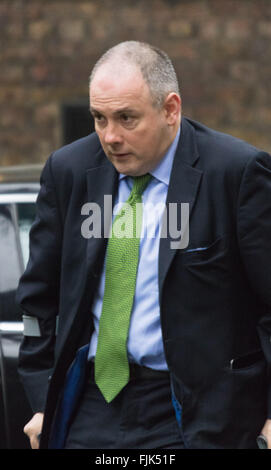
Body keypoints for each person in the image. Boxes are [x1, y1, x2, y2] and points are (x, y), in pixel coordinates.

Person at [16, 40, 271, 450]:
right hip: (89, 407)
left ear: (170, 109)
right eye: (99, 118)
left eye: (126, 118)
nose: (110, 136)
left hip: (195, 413)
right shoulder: (69, 171)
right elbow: (38, 300)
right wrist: (42, 400)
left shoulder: (235, 173)